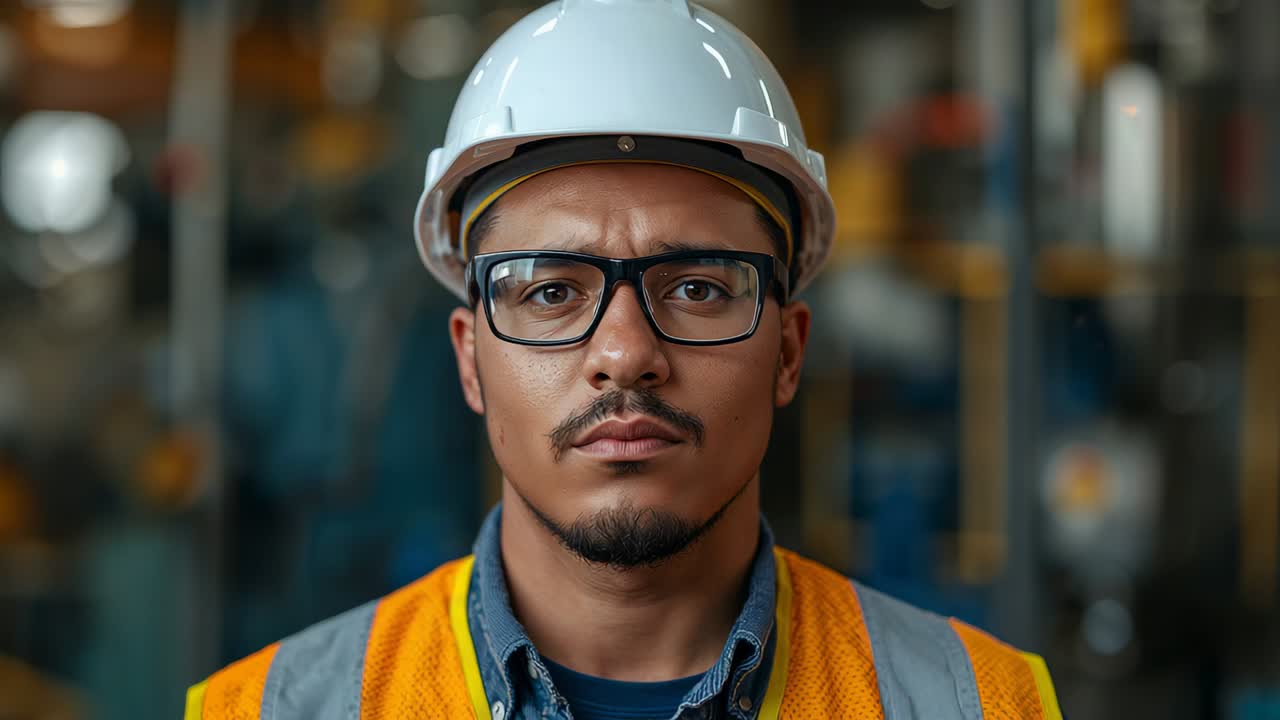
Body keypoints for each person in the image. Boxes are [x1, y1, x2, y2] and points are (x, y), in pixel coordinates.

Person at [186, 1, 1062, 718]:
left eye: (698, 289)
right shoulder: (266, 708)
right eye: (551, 291)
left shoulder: (978, 702)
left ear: (789, 352)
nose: (625, 354)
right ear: (469, 361)